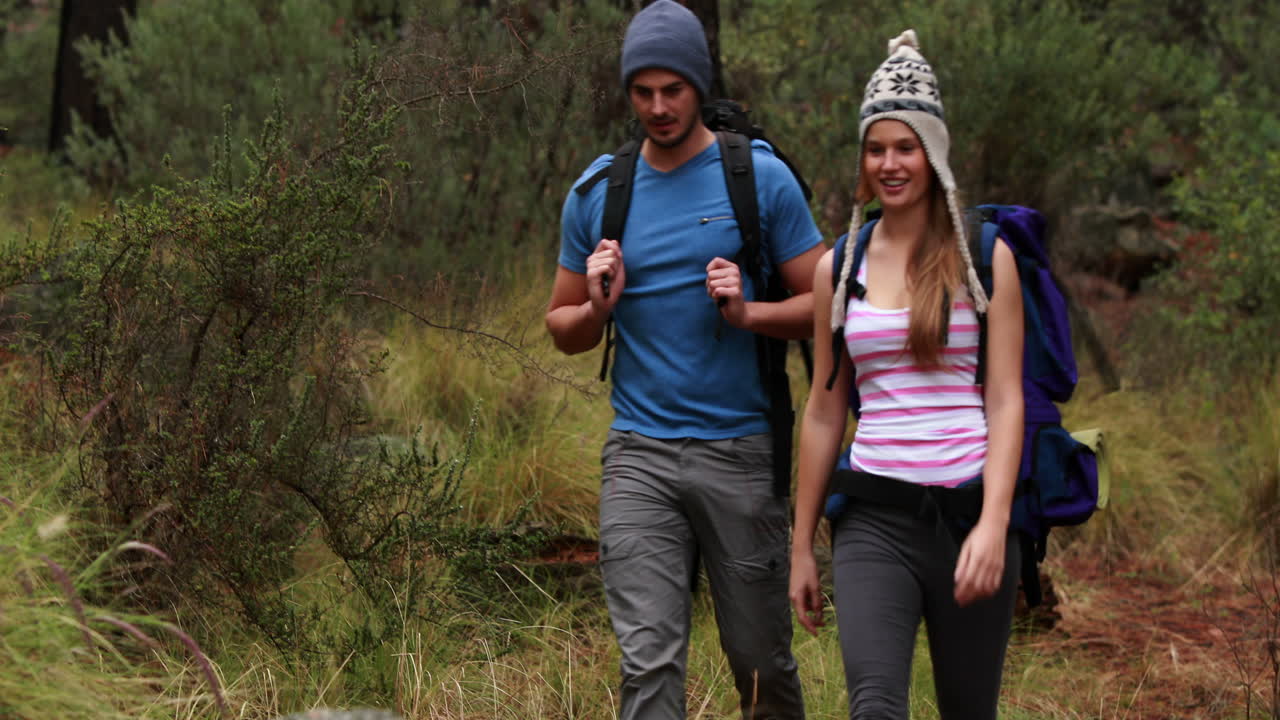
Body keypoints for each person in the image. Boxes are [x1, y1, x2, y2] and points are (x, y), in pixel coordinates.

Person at [544, 2, 824, 718]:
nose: (659, 107)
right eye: (643, 92)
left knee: (761, 665)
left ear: (699, 85)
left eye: (674, 90)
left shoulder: (759, 180)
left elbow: (830, 304)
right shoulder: (600, 193)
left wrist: (750, 313)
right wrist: (599, 306)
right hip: (639, 455)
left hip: (740, 450)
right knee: (650, 661)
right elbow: (562, 328)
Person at [787, 30, 1025, 720]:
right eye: (876, 148)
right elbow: (825, 411)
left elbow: (1006, 399)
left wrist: (994, 521)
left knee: (967, 709)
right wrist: (802, 546)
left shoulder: (986, 259)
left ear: (934, 152)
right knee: (876, 707)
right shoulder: (841, 265)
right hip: (873, 521)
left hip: (968, 517)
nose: (890, 164)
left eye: (905, 146)